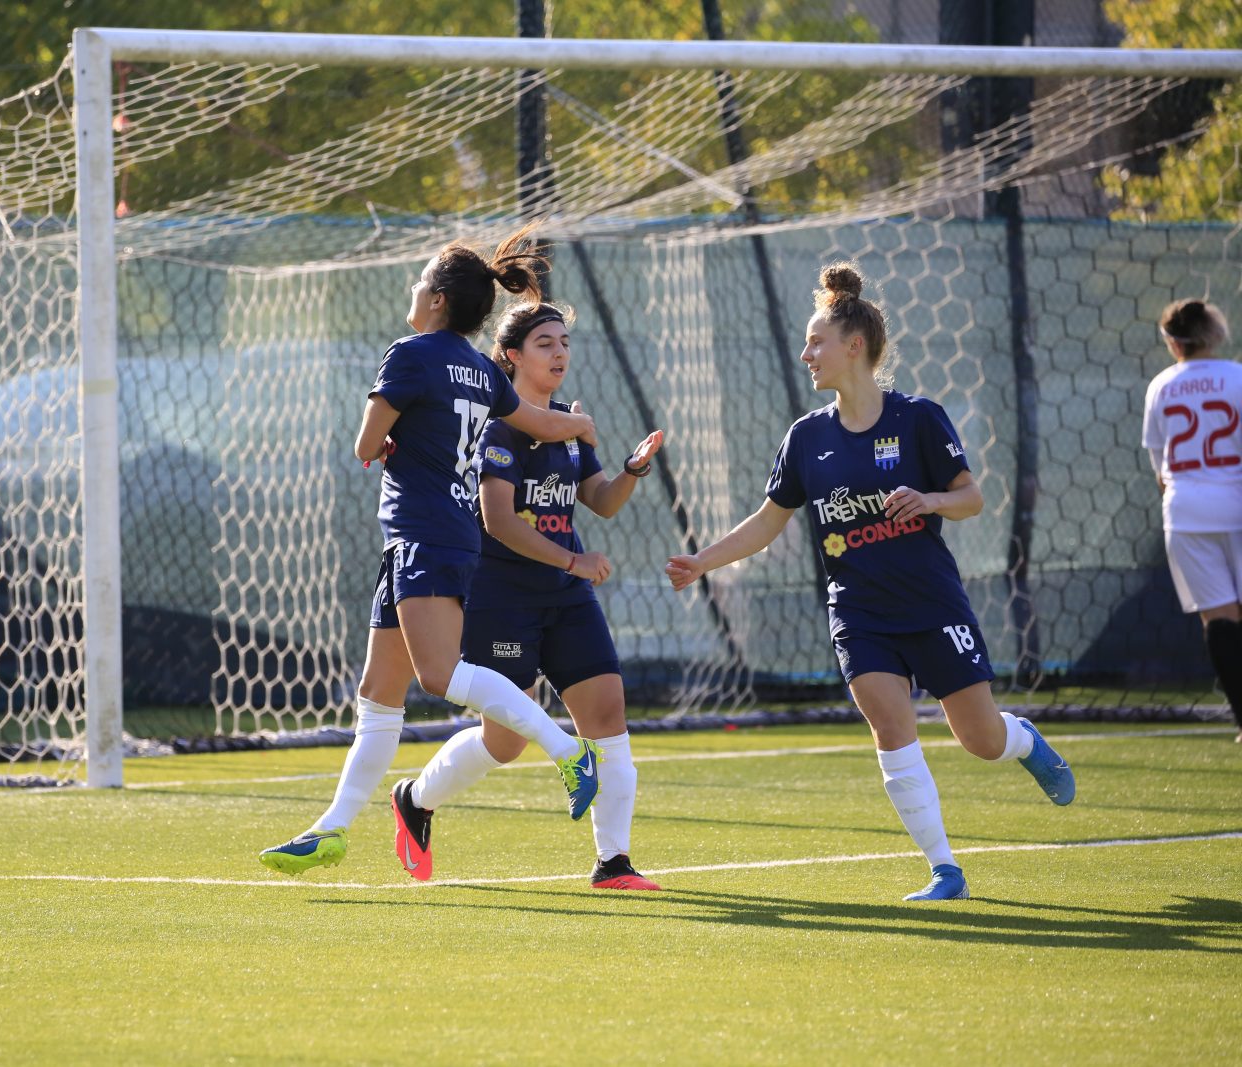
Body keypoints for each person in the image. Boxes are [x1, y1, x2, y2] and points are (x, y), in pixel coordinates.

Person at [663, 263, 1076, 903]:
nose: (807, 354)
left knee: (981, 740)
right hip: (859, 611)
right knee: (890, 724)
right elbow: (767, 523)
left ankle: (1021, 739)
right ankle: (945, 870)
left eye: (817, 341)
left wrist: (932, 500)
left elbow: (973, 499)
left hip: (932, 602)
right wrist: (701, 562)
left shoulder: (919, 419)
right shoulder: (806, 437)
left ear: (854, 346)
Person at [259, 226, 605, 876]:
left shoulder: (410, 354)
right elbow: (539, 420)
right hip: (438, 537)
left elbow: (366, 445)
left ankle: (567, 749)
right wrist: (580, 425)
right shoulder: (479, 368)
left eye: (421, 280)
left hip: (424, 532)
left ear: (438, 300)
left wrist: (388, 443)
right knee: (377, 693)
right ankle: (330, 829)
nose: (413, 289)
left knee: (439, 678)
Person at [388, 301, 665, 889]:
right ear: (511, 356)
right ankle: (416, 797)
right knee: (505, 743)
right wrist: (573, 558)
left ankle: (613, 862)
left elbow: (602, 501)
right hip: (501, 597)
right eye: (545, 343)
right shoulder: (499, 425)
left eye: (565, 341)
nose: (560, 352)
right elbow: (498, 520)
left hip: (566, 596)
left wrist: (633, 471)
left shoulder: (567, 422)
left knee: (608, 714)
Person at [1141, 298, 1242, 740]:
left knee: (1219, 618)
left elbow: (1160, 470)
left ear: (1172, 342)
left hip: (1186, 513)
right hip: (1236, 502)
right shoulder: (1237, 377)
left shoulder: (1161, 386)